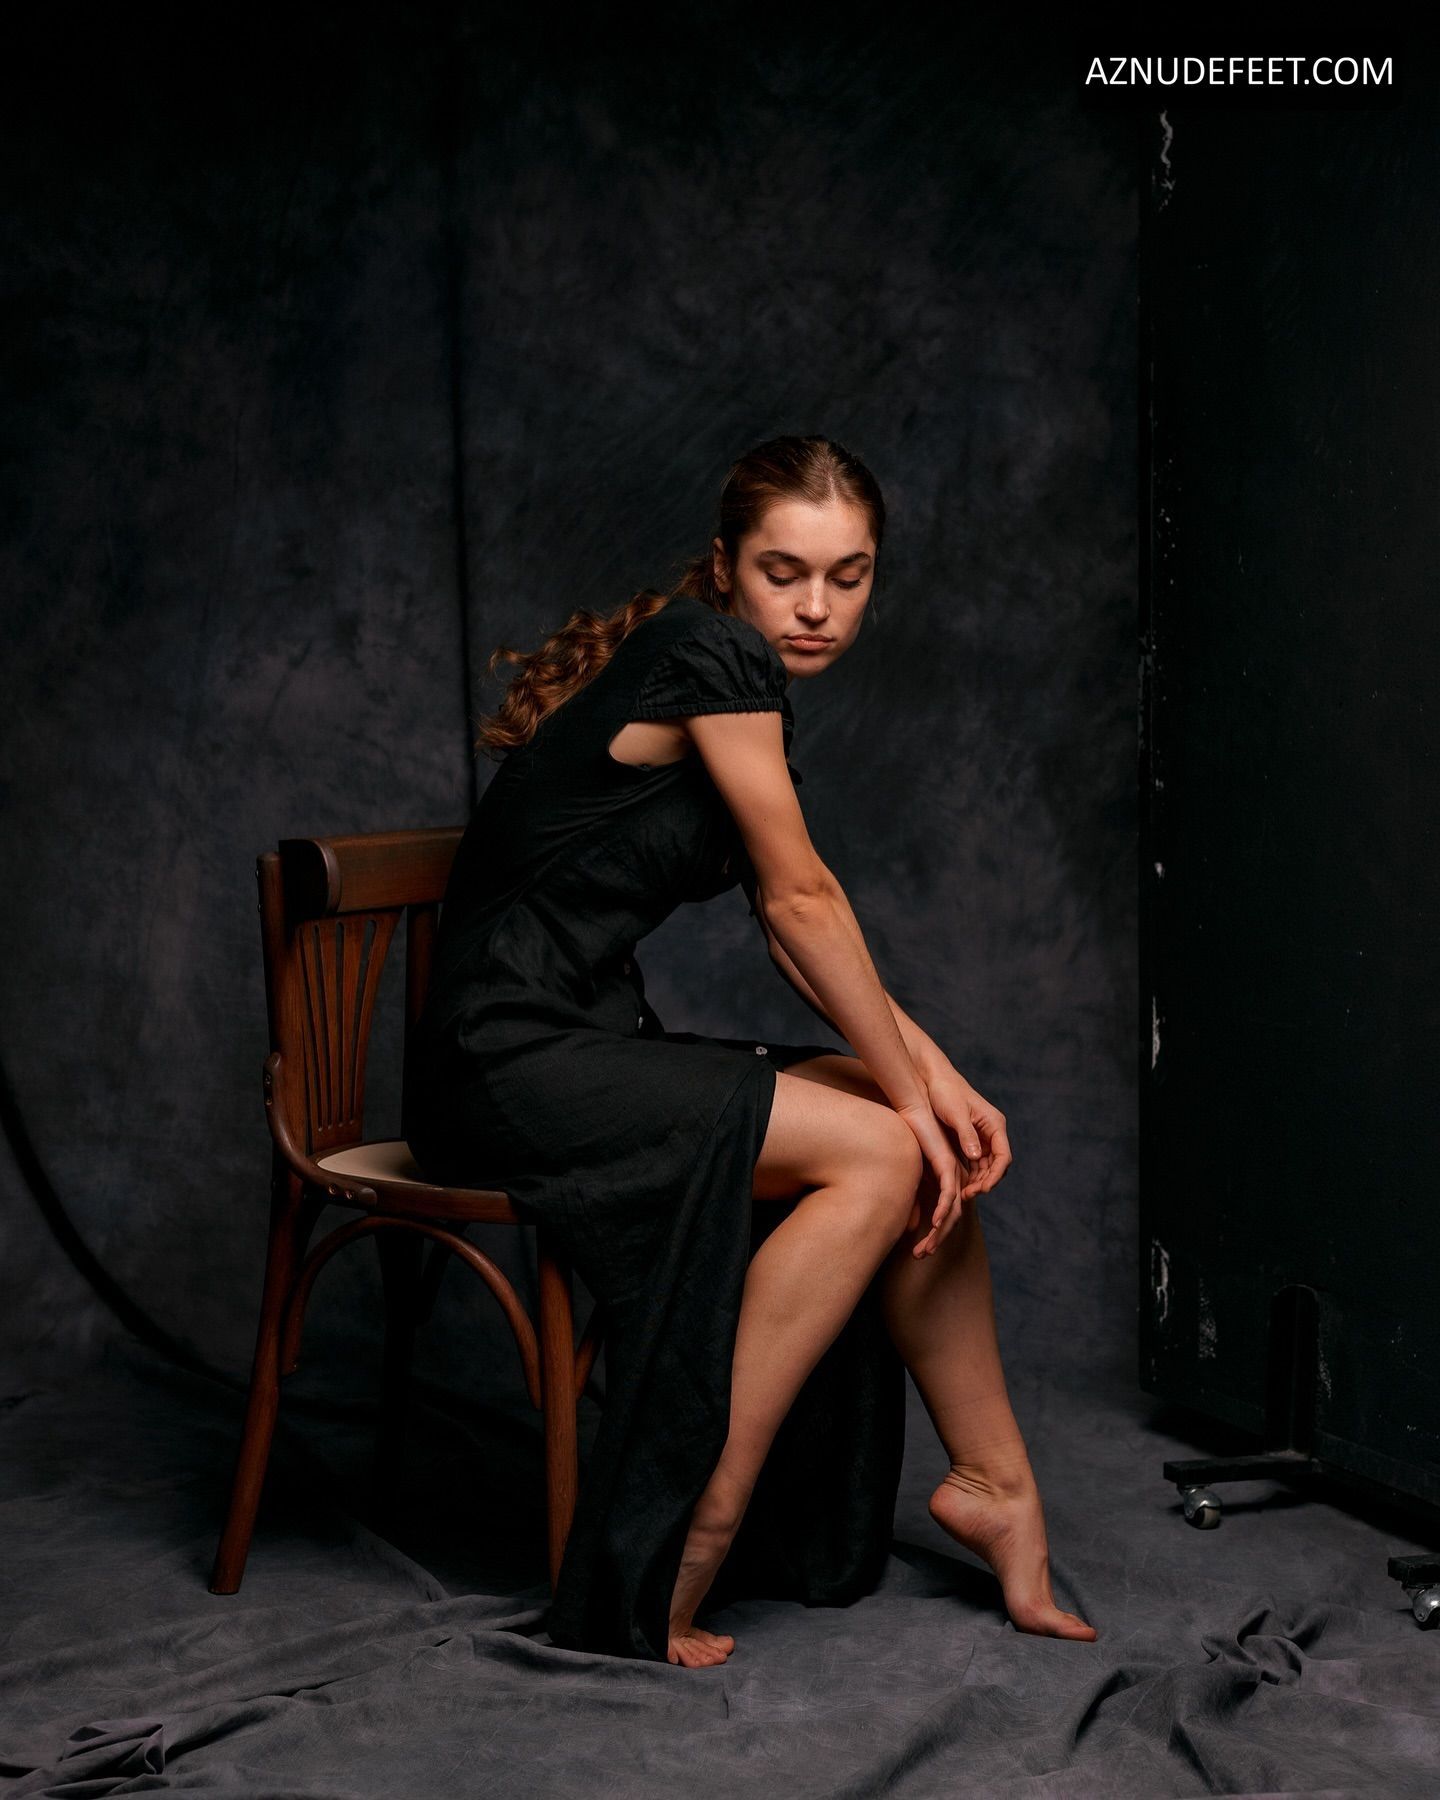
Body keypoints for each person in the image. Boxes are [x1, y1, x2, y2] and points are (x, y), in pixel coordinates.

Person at [402, 435, 1097, 1666]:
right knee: (884, 1151)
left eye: (848, 576)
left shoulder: (722, 669)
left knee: (915, 1131)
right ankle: (691, 1533)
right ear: (725, 566)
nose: (817, 606)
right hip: (501, 1065)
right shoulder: (709, 654)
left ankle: (996, 1487)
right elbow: (802, 903)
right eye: (786, 573)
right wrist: (913, 1097)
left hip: (579, 1050)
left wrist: (939, 1084)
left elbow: (794, 933)